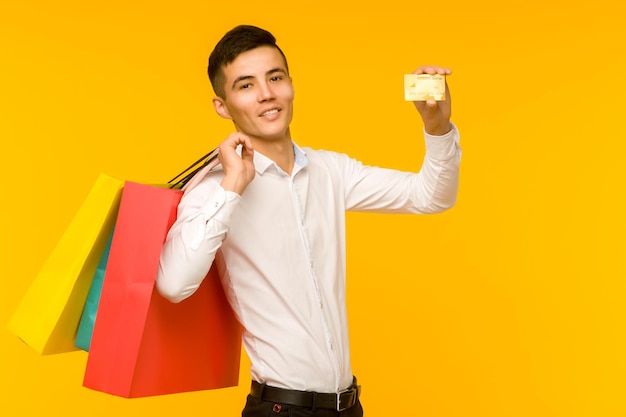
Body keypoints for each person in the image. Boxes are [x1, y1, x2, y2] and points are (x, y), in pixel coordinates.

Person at [156, 24, 461, 416]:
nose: (266, 93)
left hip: (348, 405)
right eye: (245, 85)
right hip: (280, 407)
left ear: (291, 85)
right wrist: (232, 186)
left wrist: (437, 129)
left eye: (275, 77)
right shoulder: (214, 188)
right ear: (222, 105)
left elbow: (430, 197)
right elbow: (173, 284)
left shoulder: (330, 171)